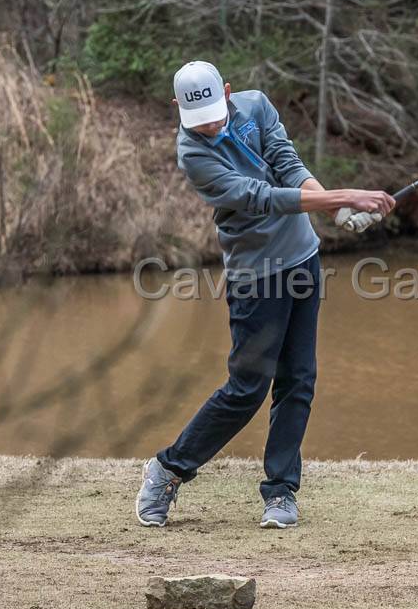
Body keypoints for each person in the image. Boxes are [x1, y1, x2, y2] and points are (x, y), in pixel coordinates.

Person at [135, 60, 395, 529]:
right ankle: (169, 469)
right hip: (257, 277)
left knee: (298, 379)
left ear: (229, 93)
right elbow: (262, 196)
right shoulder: (192, 155)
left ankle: (280, 493)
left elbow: (287, 166)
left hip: (303, 261)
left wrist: (333, 210)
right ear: (177, 108)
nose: (211, 126)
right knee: (246, 389)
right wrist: (342, 198)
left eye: (216, 114)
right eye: (199, 121)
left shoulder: (255, 107)